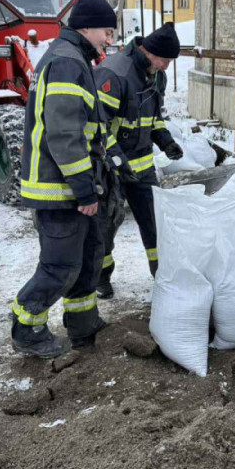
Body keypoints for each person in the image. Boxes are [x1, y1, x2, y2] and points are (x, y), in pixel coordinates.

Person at [11, 0, 119, 358]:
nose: (109, 39)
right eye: (107, 31)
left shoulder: (74, 58)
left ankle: (82, 323)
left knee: (88, 257)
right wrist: (85, 191)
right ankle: (26, 327)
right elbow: (64, 134)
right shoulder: (66, 63)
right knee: (61, 265)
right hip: (59, 189)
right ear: (86, 27)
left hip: (70, 187)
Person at [93, 23, 185, 299]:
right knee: (107, 224)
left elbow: (153, 118)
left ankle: (162, 277)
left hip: (142, 165)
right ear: (149, 51)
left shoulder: (156, 76)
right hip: (111, 165)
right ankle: (101, 277)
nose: (166, 67)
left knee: (153, 223)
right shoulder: (115, 72)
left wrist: (165, 140)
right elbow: (98, 126)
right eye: (164, 60)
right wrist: (116, 158)